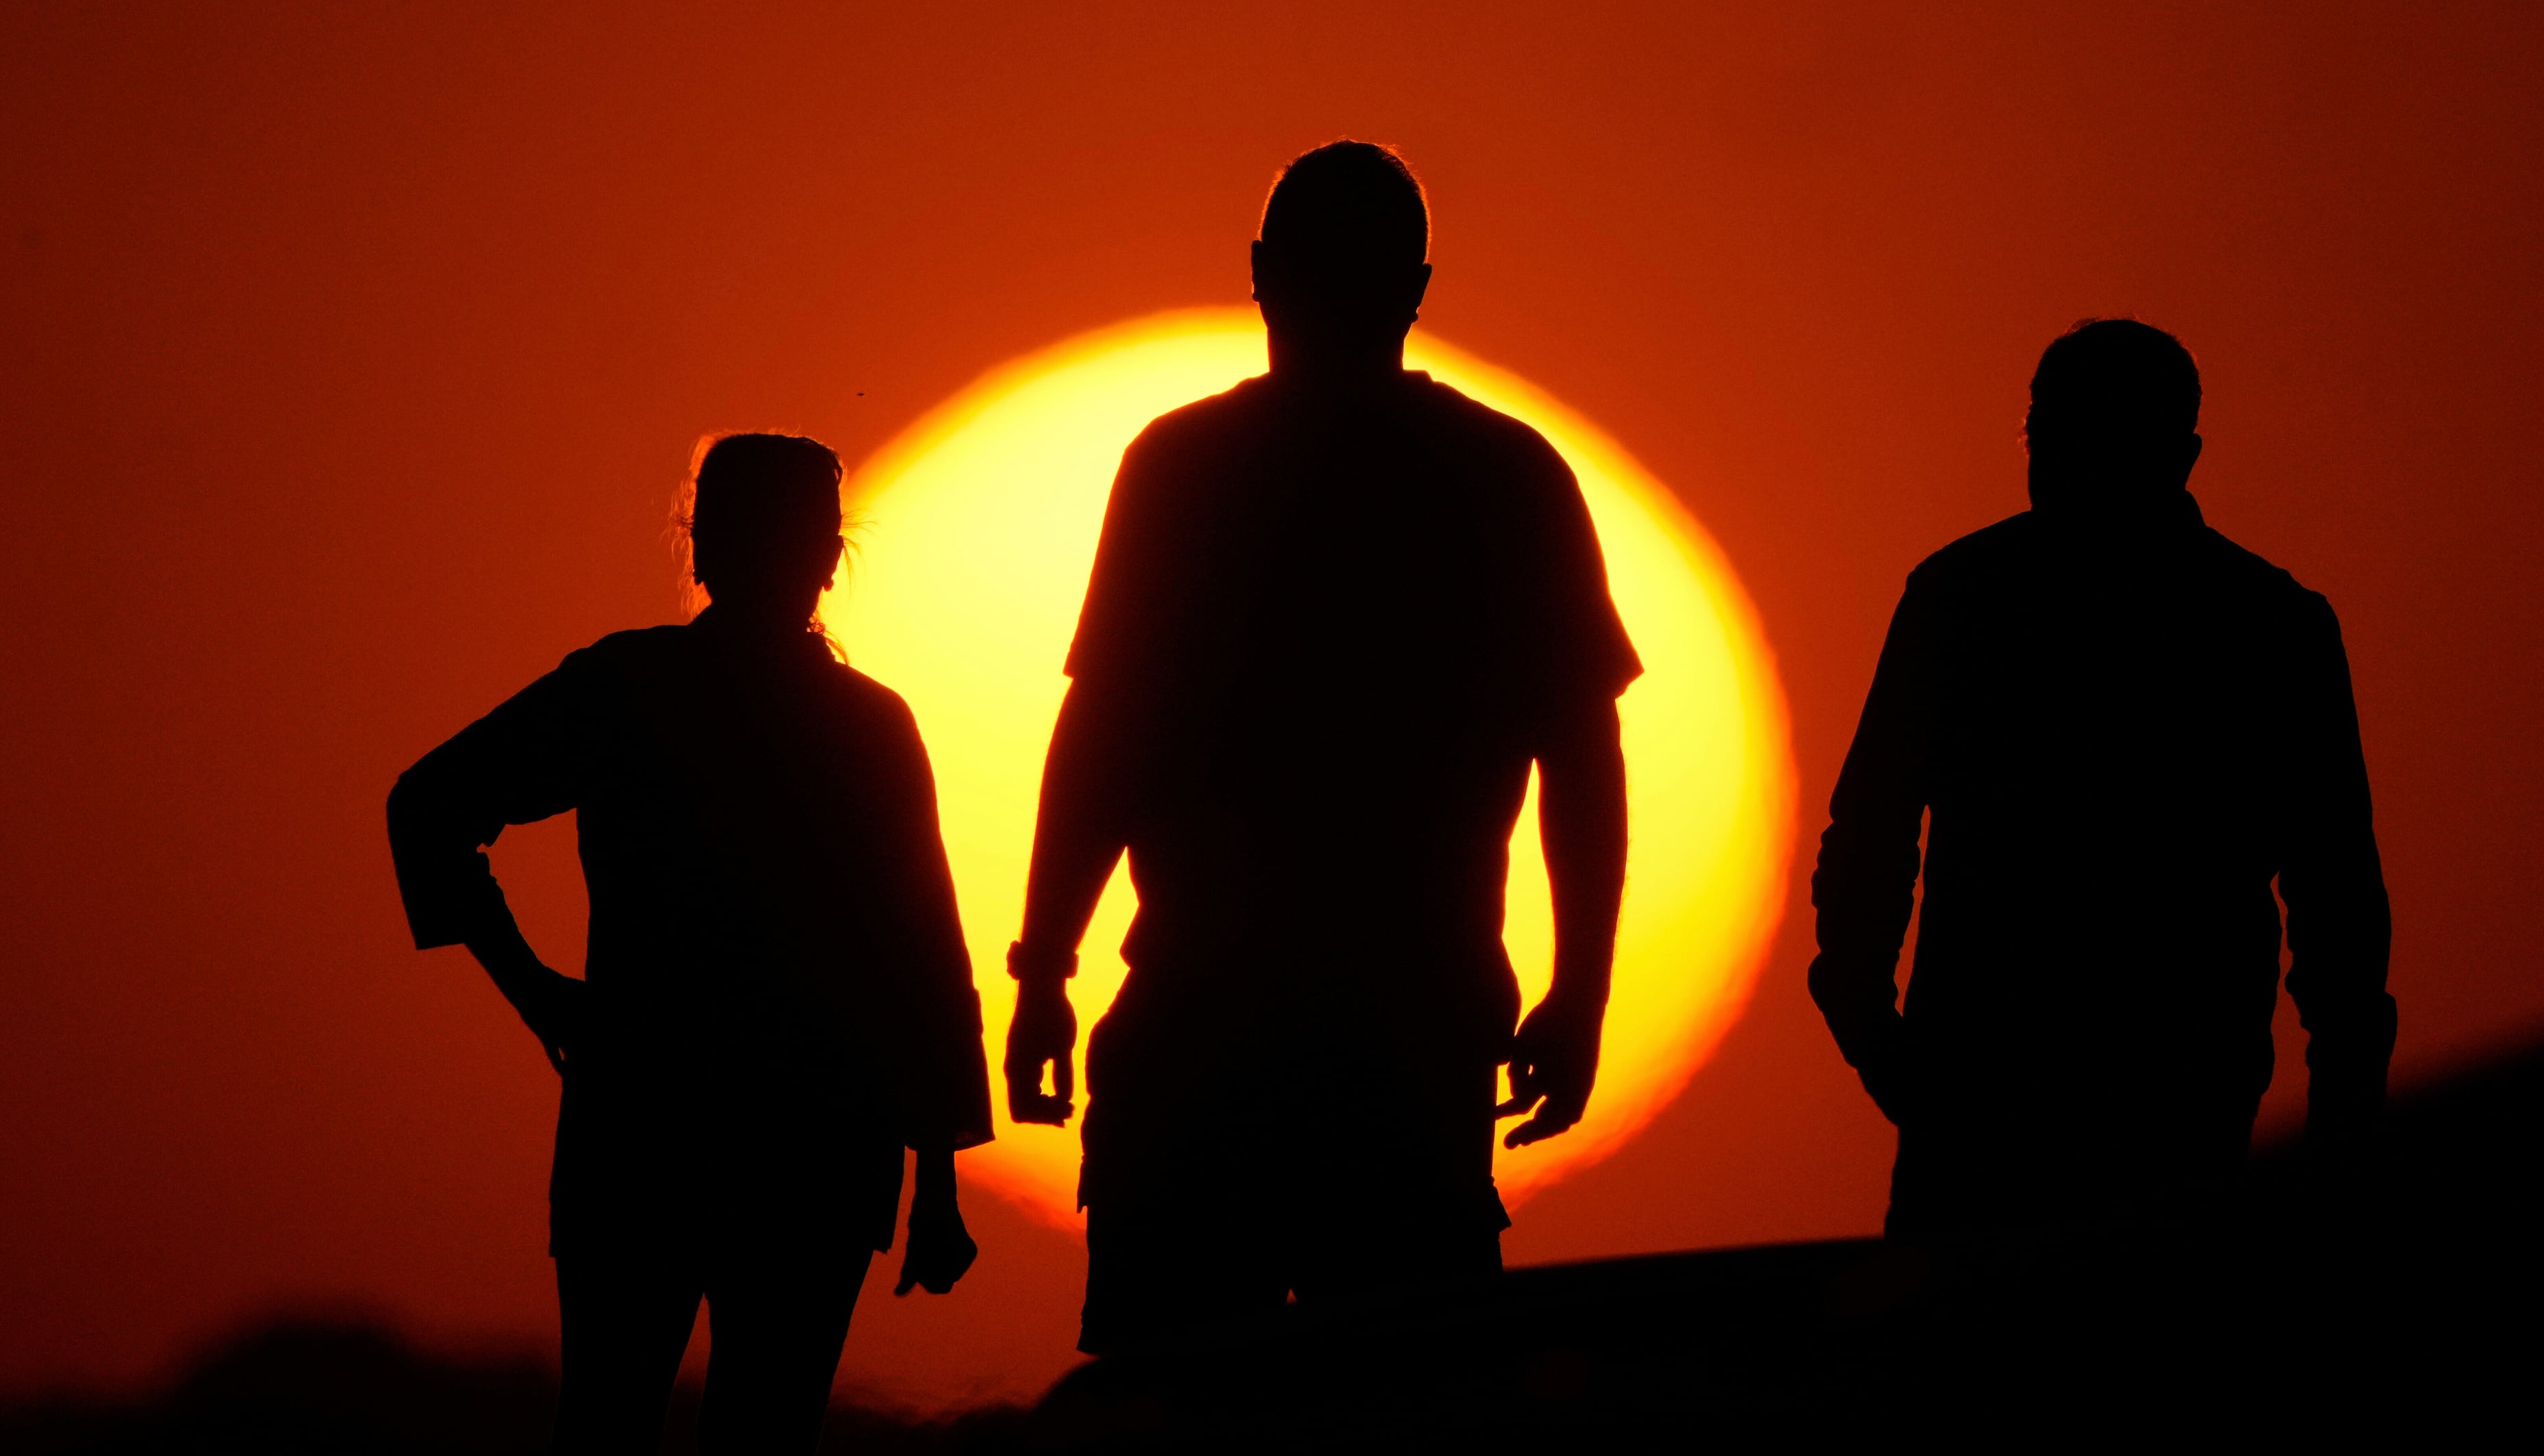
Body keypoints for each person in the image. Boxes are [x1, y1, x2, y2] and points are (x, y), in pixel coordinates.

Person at [1000, 141, 1642, 1353]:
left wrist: (1046, 969)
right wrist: (1579, 991)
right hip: (1401, 1034)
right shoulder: (1506, 473)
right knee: (1399, 1395)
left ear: (1259, 274)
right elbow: (1584, 758)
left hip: (1215, 1024)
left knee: (1171, 1404)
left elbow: (1103, 736)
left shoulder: (1183, 469)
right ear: (1419, 285)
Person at [385, 433, 991, 1453]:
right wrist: (936, 1181)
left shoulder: (633, 693)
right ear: (829, 556)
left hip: (653, 1130)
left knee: (609, 1438)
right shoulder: (849, 726)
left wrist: (537, 994)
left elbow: (427, 806)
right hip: (802, 1149)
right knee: (753, 1446)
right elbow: (925, 963)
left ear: (701, 550)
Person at [1809, 319, 2397, 1236]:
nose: (2064, 457)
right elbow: (1873, 829)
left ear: (2182, 453)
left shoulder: (2262, 627)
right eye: (2050, 431)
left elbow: (2335, 894)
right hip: (2010, 1089)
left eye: (2092, 432)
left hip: (2147, 1096)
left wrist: (1870, 1022)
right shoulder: (1969, 601)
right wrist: (1871, 1027)